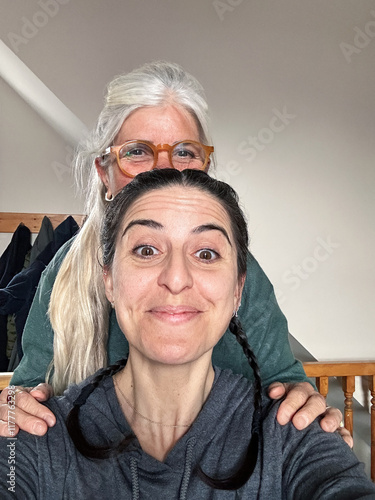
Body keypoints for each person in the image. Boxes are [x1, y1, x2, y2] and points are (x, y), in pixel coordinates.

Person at [0, 61, 345, 441]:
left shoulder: (242, 274)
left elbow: (284, 384)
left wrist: (305, 416)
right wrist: (15, 410)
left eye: (184, 152)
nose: (163, 171)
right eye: (137, 152)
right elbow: (29, 393)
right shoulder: (65, 271)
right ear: (105, 172)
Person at [0, 169, 372, 499]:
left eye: (206, 254)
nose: (176, 279)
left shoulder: (294, 438)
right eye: (146, 249)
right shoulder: (33, 442)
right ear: (109, 281)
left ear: (239, 290)